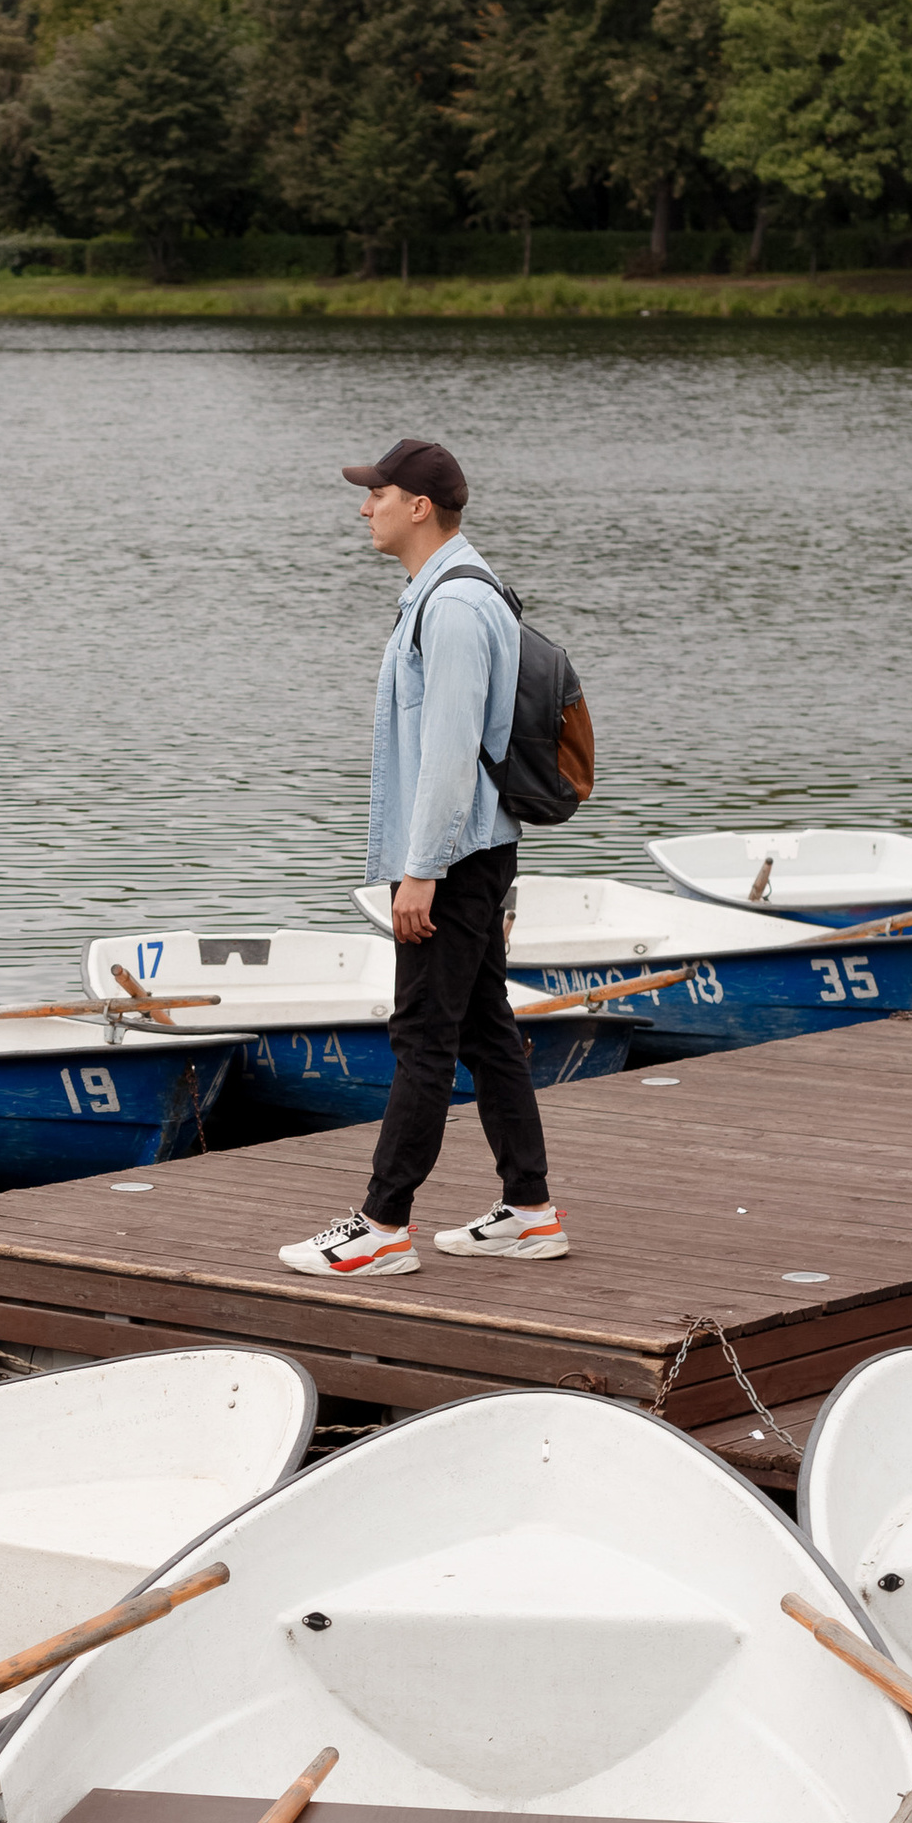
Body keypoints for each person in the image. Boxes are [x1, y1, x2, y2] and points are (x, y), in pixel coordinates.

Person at [279, 435, 568, 1279]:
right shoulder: (449, 592)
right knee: (483, 1028)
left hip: (456, 855)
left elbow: (449, 754)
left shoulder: (453, 607)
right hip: (477, 850)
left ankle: (383, 1226)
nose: (363, 507)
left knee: (422, 1035)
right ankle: (531, 1211)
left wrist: (423, 871)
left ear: (419, 507)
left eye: (376, 494)